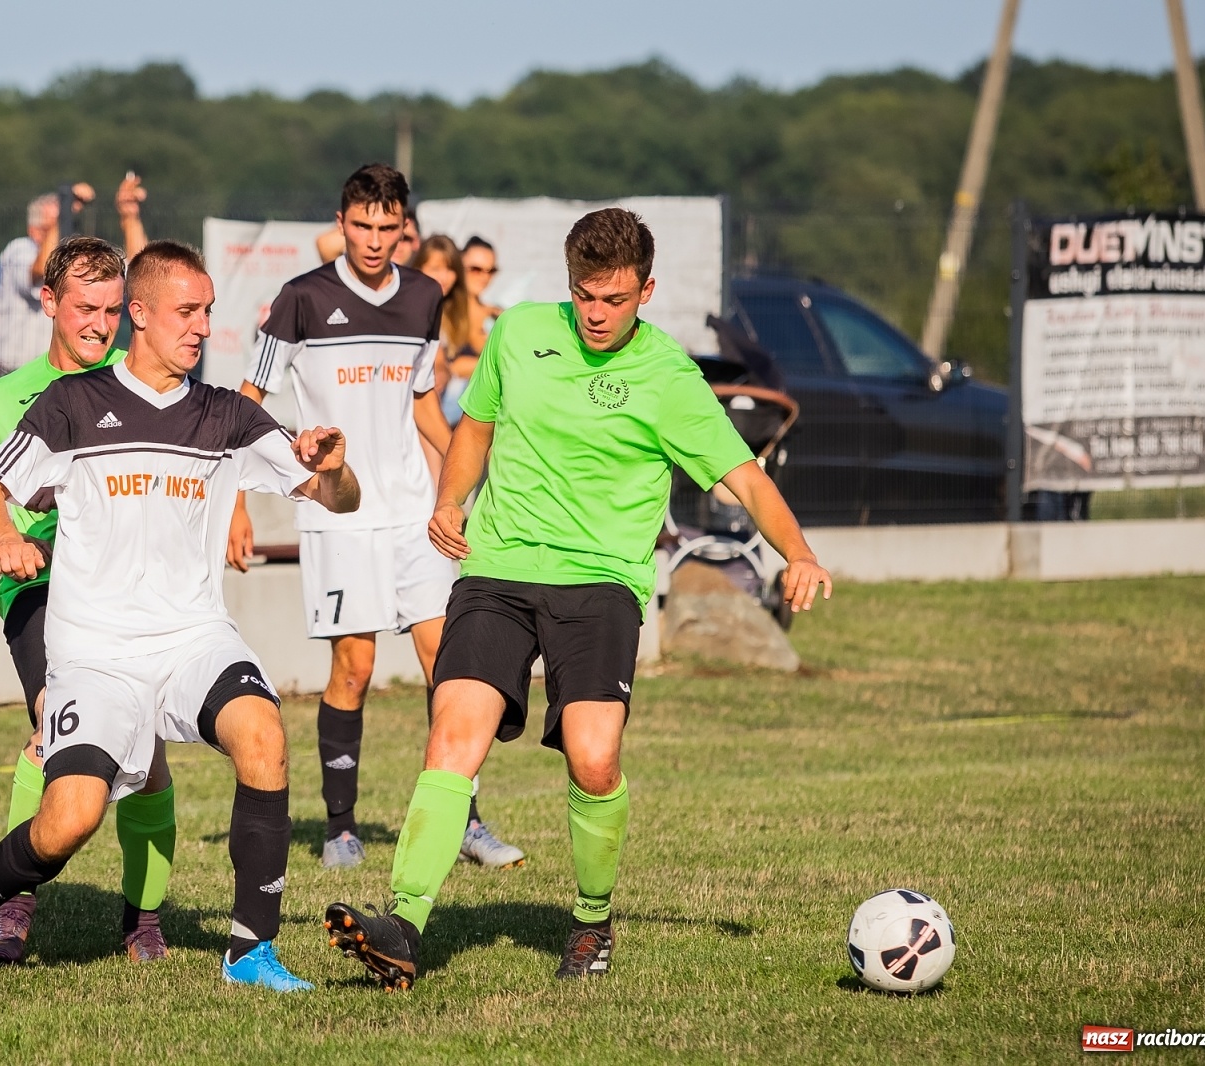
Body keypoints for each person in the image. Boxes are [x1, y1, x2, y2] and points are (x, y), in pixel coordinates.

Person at [325, 208, 833, 990]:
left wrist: (796, 551)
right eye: (584, 295)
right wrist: (452, 500)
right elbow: (476, 427)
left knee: (595, 761)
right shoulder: (521, 332)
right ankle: (403, 923)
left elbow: (744, 477)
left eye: (615, 299)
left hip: (600, 585)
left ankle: (592, 923)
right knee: (454, 733)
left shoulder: (669, 378)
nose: (596, 314)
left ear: (647, 291)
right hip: (497, 570)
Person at [0, 240, 359, 993]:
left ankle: (251, 952)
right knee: (67, 820)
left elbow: (340, 500)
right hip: (95, 654)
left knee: (264, 736)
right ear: (139, 315)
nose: (204, 326)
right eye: (188, 311)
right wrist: (7, 533)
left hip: (193, 640)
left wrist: (335, 467)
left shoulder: (228, 416)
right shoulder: (71, 406)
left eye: (209, 311)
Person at [231, 164, 525, 871]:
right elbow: (249, 398)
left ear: (403, 229)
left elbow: (424, 403)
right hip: (339, 513)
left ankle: (464, 819)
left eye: (385, 227)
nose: (371, 239)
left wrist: (463, 486)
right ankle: (340, 828)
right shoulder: (300, 299)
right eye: (360, 225)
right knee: (355, 669)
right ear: (341, 224)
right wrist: (235, 501)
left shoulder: (424, 295)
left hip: (412, 516)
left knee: (447, 664)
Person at [0, 235, 177, 965]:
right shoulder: (7, 397)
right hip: (41, 591)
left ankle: (143, 920)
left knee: (149, 755)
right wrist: (3, 537)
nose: (99, 324)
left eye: (113, 310)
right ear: (48, 302)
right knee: (55, 733)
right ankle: (14, 903)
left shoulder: (142, 381)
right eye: (85, 307)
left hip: (131, 592)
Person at [0, 175, 149, 377]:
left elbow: (139, 270)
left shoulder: (76, 262)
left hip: (65, 376)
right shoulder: (19, 249)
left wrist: (128, 215)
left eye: (67, 223)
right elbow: (45, 268)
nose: (64, 229)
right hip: (11, 372)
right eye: (53, 225)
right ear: (34, 230)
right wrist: (65, 208)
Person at [440, 236, 504, 425]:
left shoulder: (497, 314)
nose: (484, 277)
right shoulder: (443, 312)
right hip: (447, 414)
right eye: (475, 269)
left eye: (491, 270)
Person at [409, 235, 471, 420]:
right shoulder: (414, 306)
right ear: (418, 268)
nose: (443, 277)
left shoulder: (454, 309)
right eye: (435, 269)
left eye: (450, 269)